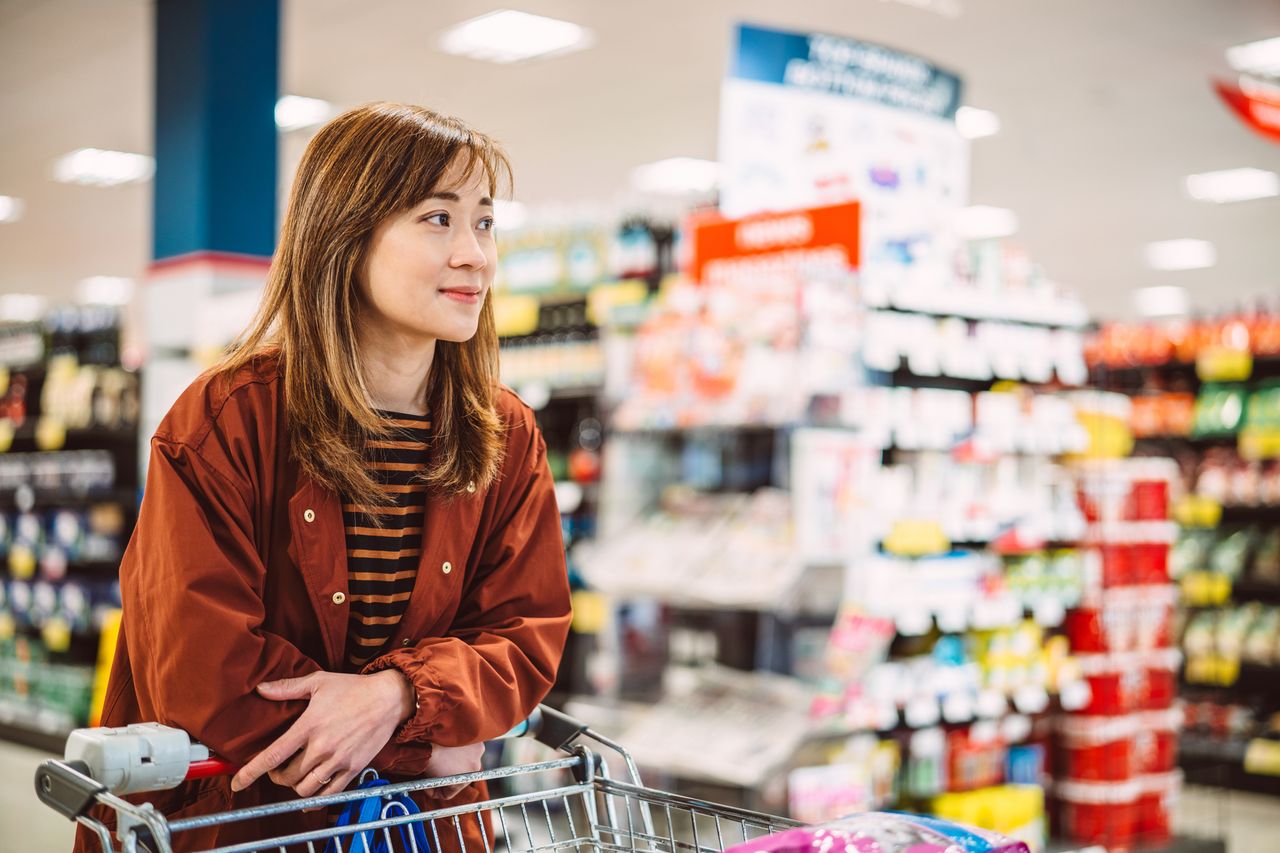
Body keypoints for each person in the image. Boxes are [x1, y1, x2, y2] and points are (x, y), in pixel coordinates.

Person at [75, 103, 572, 852]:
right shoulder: (227, 420)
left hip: (424, 832)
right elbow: (201, 670)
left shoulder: (506, 434)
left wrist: (397, 695)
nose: (475, 254)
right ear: (345, 234)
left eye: (485, 222)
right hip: (241, 825)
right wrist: (423, 742)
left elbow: (525, 637)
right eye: (438, 219)